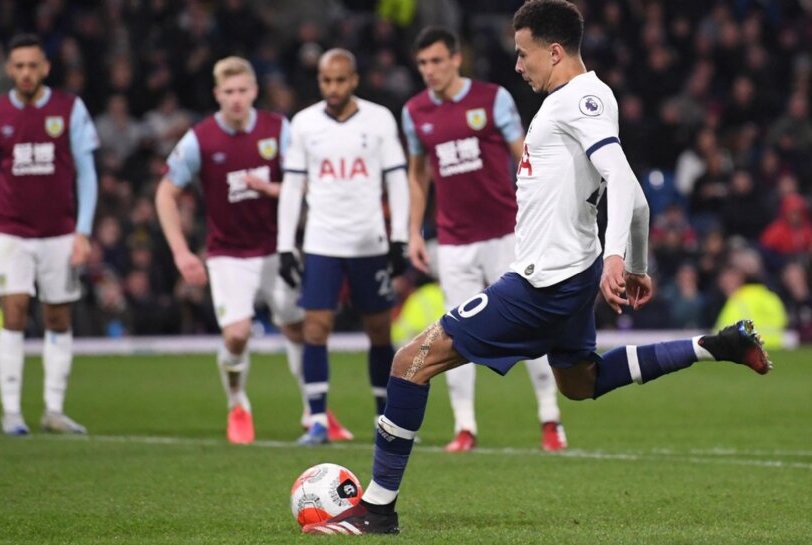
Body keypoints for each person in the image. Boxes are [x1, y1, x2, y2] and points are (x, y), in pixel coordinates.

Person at [301, 0, 770, 535]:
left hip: (544, 281)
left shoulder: (581, 98)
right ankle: (714, 346)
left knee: (411, 360)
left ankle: (378, 508)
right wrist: (632, 260)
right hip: (572, 273)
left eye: (523, 55)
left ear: (553, 51)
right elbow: (633, 198)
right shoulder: (581, 99)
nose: (517, 65)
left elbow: (625, 184)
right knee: (579, 381)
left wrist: (621, 257)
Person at [402, 26, 566, 452]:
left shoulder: (492, 100)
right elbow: (417, 177)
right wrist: (413, 232)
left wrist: (545, 212)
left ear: (457, 59)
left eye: (437, 60)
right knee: (455, 336)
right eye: (422, 64)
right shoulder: (415, 111)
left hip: (508, 236)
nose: (430, 70)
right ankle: (464, 427)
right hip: (454, 243)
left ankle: (550, 419)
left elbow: (526, 157)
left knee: (530, 325)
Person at [155, 56, 329, 445]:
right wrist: (181, 252)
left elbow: (307, 184)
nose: (236, 99)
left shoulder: (278, 129)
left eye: (242, 91)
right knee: (236, 335)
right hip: (228, 254)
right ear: (218, 94)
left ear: (254, 91)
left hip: (276, 248)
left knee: (298, 327)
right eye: (228, 92)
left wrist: (272, 189)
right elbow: (165, 193)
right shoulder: (200, 139)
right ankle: (237, 402)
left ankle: (313, 410)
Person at [0, 34, 99, 436]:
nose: (26, 73)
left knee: (58, 316)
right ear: (9, 70)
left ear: (45, 68)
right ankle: (11, 411)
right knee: (14, 311)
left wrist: (84, 231)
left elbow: (87, 172)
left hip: (60, 233)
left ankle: (53, 410)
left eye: (33, 65)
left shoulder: (69, 108)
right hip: (11, 232)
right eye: (19, 66)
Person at [278, 48, 410, 445]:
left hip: (369, 242)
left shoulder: (379, 119)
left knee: (379, 330)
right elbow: (292, 187)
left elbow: (397, 180)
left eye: (340, 80)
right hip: (322, 242)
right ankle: (317, 418)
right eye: (325, 81)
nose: (332, 88)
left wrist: (400, 235)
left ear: (354, 80)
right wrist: (287, 244)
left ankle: (384, 419)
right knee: (315, 329)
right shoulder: (303, 124)